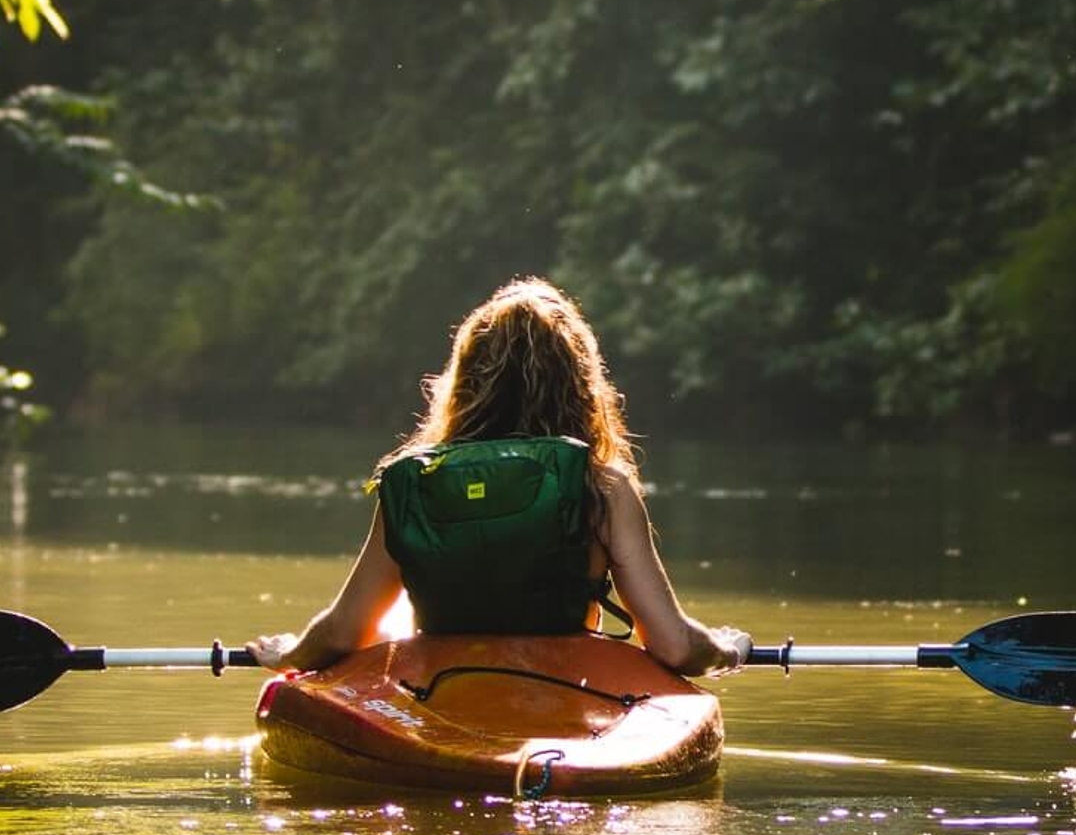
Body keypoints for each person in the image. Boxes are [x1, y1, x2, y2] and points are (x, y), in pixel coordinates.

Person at [248, 278, 750, 677]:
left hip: (441, 692)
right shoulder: (603, 488)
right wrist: (725, 649)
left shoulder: (416, 483)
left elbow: (343, 633)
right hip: (567, 689)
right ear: (580, 385)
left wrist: (292, 654)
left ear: (465, 380)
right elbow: (675, 647)